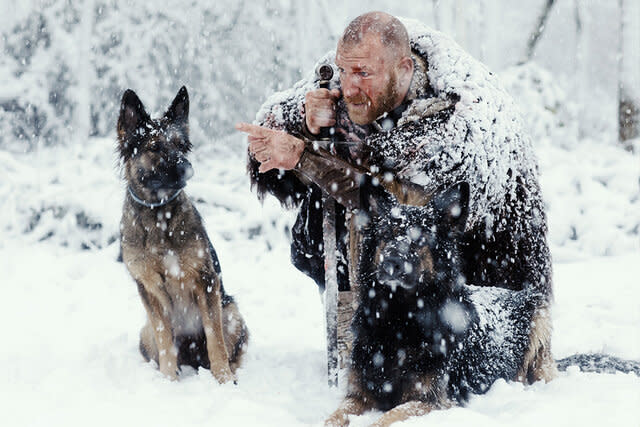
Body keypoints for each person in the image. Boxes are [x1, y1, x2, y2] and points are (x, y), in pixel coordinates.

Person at [236, 12, 554, 369]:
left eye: (363, 75)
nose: (349, 86)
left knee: (399, 228)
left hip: (471, 266)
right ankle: (354, 326)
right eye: (345, 72)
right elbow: (268, 132)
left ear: (404, 69)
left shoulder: (460, 114)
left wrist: (304, 156)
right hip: (376, 259)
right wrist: (303, 121)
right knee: (324, 210)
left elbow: (399, 208)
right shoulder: (341, 72)